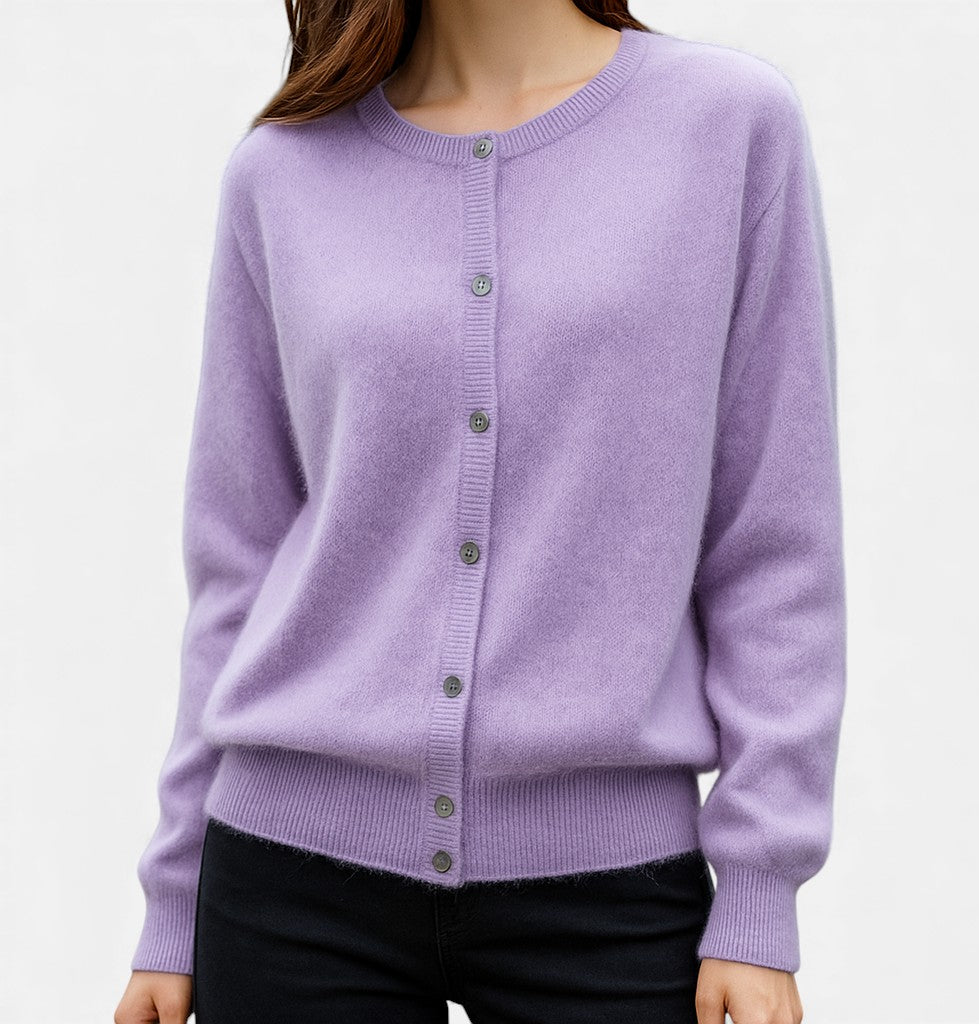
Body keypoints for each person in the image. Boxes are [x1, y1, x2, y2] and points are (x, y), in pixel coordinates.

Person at [115, 2, 845, 1022]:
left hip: (611, 892)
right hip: (288, 883)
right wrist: (174, 897)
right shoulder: (282, 173)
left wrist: (760, 889)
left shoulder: (727, 126)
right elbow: (237, 567)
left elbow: (775, 544)